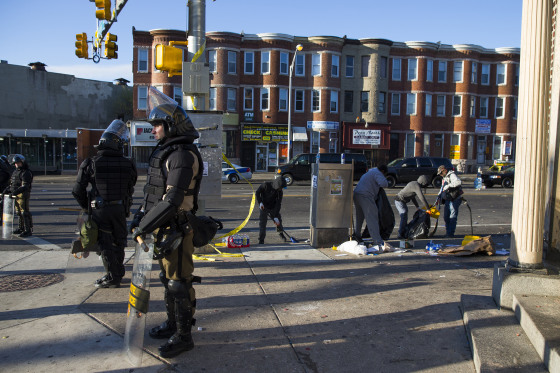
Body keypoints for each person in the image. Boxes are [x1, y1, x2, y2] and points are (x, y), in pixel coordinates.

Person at [129, 96, 203, 359]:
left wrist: (142, 227)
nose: (153, 130)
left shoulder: (182, 154)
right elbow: (154, 193)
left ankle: (184, 336)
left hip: (177, 229)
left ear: (171, 125)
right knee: (168, 279)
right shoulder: (168, 152)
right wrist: (140, 217)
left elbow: (172, 200)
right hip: (163, 228)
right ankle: (173, 324)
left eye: (157, 125)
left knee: (179, 283)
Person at [72, 120, 137, 288]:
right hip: (120, 208)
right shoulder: (129, 163)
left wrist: (87, 206)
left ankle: (112, 276)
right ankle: (118, 272)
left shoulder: (91, 163)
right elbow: (130, 188)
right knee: (119, 241)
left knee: (105, 242)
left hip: (100, 209)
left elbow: (77, 190)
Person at [353, 165, 389, 247]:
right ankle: (377, 241)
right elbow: (384, 184)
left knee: (359, 217)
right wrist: (385, 179)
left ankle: (357, 235)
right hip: (365, 195)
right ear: (383, 171)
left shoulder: (370, 172)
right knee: (372, 217)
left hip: (357, 194)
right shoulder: (378, 173)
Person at [5, 154, 33, 237]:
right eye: (16, 163)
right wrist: (6, 191)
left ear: (22, 162)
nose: (17, 164)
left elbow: (25, 186)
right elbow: (12, 184)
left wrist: (14, 192)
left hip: (23, 194)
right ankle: (21, 227)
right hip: (16, 194)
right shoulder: (16, 172)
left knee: (24, 212)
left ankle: (28, 230)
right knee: (18, 212)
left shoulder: (26, 172)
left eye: (18, 163)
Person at [255, 175, 287, 244]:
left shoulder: (280, 192)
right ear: (277, 185)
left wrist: (275, 216)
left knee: (279, 222)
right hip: (264, 207)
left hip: (273, 207)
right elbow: (257, 192)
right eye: (280, 187)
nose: (281, 189)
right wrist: (260, 202)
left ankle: (281, 234)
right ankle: (261, 239)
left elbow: (278, 203)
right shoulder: (266, 185)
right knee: (263, 224)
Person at [437, 165, 463, 238]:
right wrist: (439, 195)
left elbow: (458, 182)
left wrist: (449, 186)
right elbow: (442, 187)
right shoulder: (444, 178)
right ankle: (448, 232)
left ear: (445, 170)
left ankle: (450, 233)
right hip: (448, 199)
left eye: (441, 173)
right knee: (446, 217)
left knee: (452, 216)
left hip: (455, 199)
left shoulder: (452, 175)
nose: (440, 175)